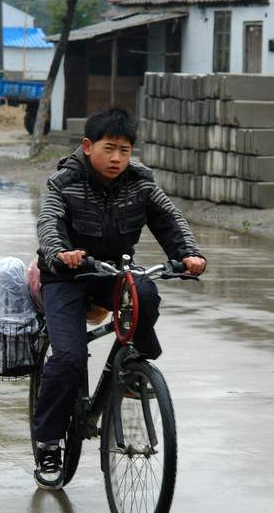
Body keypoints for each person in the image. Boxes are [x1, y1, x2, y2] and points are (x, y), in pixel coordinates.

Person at [32, 106, 206, 490]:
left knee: (145, 292)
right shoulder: (64, 182)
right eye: (109, 149)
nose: (116, 159)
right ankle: (47, 440)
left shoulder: (141, 183)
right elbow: (49, 222)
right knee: (70, 358)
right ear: (87, 146)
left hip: (111, 272)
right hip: (66, 276)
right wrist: (61, 252)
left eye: (125, 151)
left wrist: (189, 254)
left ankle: (132, 370)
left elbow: (169, 219)